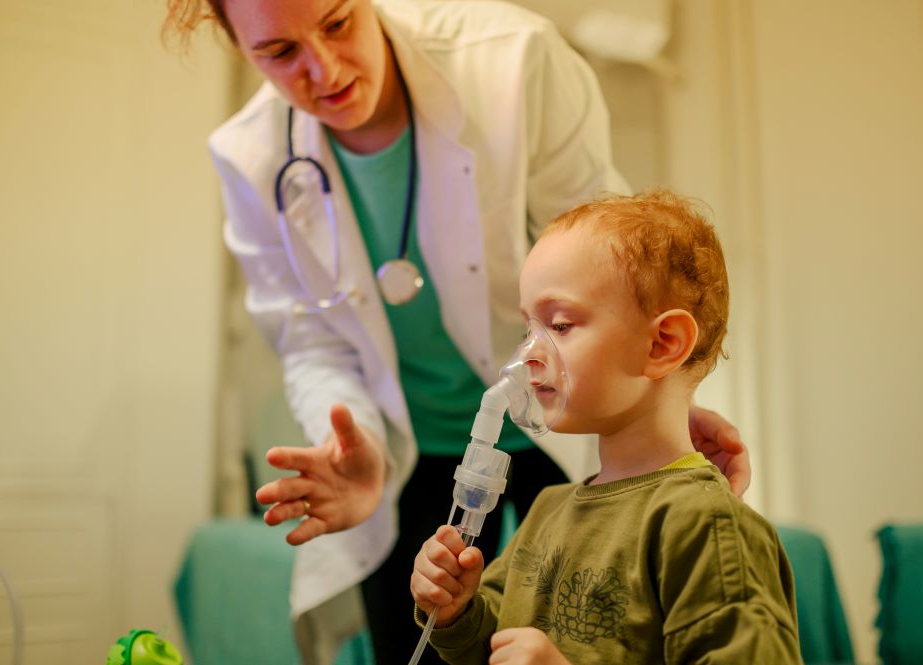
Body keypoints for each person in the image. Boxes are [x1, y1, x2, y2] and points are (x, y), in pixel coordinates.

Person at [162, 1, 751, 663]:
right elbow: (308, 337)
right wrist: (353, 440)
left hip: (555, 433)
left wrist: (659, 401)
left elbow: (617, 275)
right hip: (402, 449)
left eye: (336, 24)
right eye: (278, 52)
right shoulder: (250, 156)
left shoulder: (513, 61)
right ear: (238, 46)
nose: (322, 69)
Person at [411, 190, 801, 664]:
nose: (530, 354)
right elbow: (492, 646)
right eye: (527, 329)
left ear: (662, 344)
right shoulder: (547, 510)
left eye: (559, 325)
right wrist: (457, 610)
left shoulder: (704, 525)